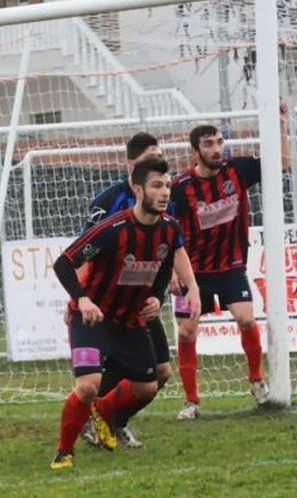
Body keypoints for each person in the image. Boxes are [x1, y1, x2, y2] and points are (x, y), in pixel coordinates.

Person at [50, 158, 198, 470]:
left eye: (168, 186)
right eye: (157, 185)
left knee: (148, 385)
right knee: (88, 384)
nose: (164, 192)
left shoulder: (170, 230)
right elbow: (64, 264)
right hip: (92, 319)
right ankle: (64, 453)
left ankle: (102, 413)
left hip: (130, 323)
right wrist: (82, 300)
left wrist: (157, 298)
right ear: (138, 188)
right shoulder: (111, 230)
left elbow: (163, 267)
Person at [79, 133, 199, 449]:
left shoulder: (162, 199)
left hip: (141, 303)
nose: (158, 168)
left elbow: (169, 246)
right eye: (150, 158)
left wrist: (170, 282)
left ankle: (113, 420)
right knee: (127, 372)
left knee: (160, 374)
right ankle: (95, 419)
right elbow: (83, 252)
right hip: (110, 303)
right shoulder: (107, 202)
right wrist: (82, 297)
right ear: (132, 164)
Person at [170, 113, 288, 419]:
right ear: (195, 152)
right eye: (209, 144)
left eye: (219, 142)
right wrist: (171, 270)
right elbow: (166, 229)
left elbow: (282, 163)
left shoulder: (237, 170)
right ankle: (192, 401)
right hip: (193, 272)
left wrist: (281, 125)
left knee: (246, 319)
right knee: (186, 333)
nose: (217, 148)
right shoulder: (180, 187)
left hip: (231, 266)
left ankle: (257, 382)